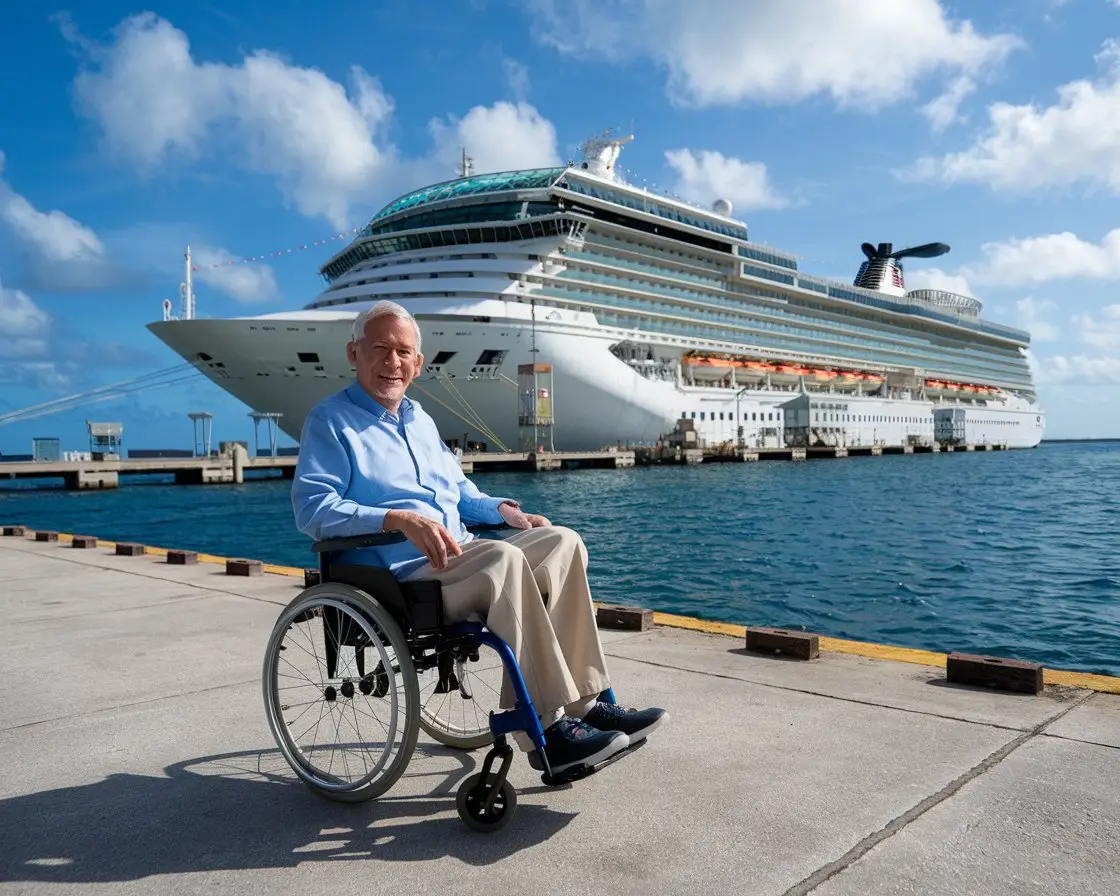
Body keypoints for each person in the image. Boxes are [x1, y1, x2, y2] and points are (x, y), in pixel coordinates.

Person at [291, 300, 667, 775]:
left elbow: (460, 495)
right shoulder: (330, 421)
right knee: (502, 561)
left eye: (403, 352)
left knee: (562, 541)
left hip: (462, 555)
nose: (393, 362)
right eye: (380, 349)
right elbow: (313, 509)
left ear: (418, 363)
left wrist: (507, 512)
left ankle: (586, 705)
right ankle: (546, 730)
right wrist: (397, 519)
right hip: (403, 576)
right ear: (353, 353)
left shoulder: (421, 421)